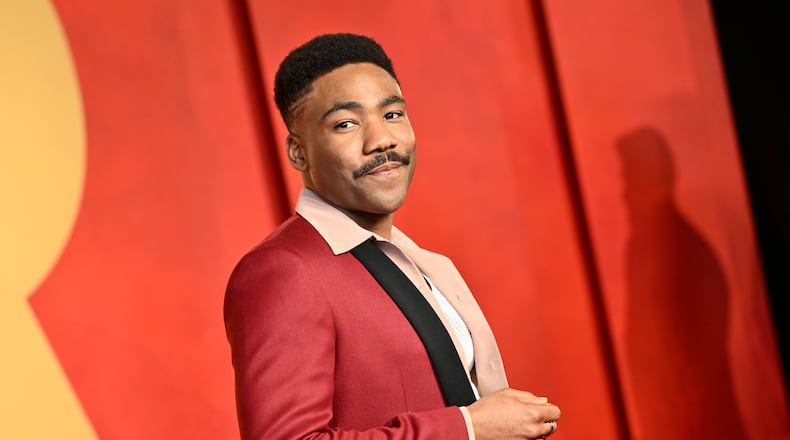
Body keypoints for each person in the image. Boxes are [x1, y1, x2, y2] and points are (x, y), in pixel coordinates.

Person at [224, 33, 561, 440]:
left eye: (392, 114)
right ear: (298, 152)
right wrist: (468, 428)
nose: (381, 140)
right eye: (346, 124)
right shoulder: (283, 271)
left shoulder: (419, 261)